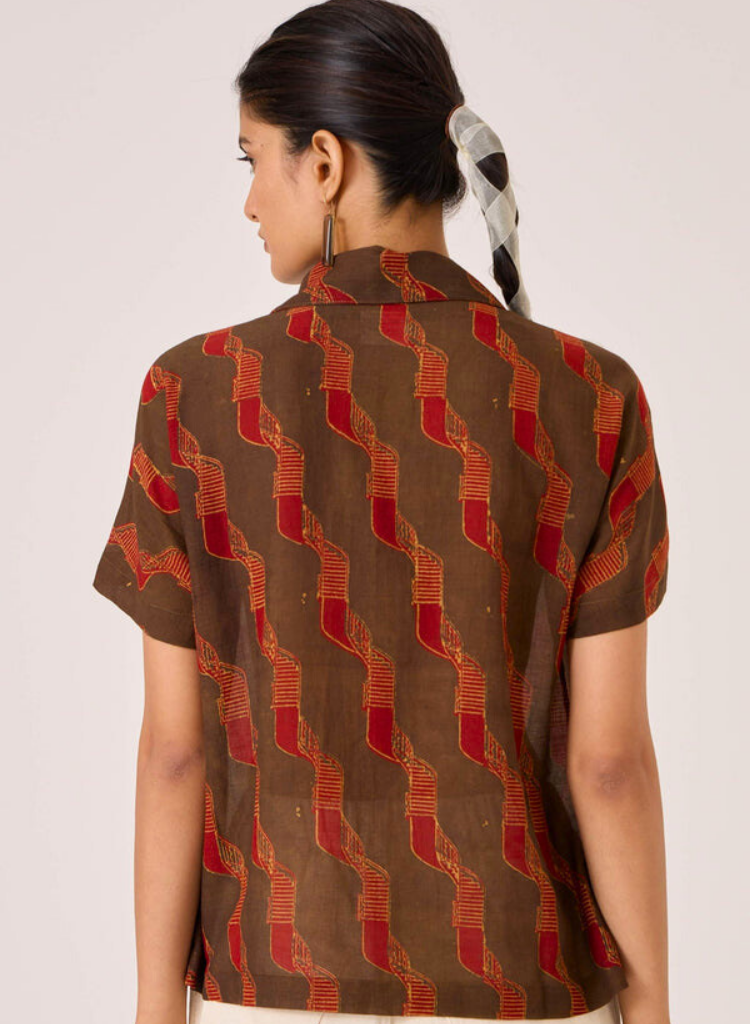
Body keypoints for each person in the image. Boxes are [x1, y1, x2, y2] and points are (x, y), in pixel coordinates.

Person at [91, 2, 672, 1024]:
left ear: (324, 163)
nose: (249, 201)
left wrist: (153, 1009)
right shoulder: (592, 394)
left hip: (272, 980)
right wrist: (653, 1010)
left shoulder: (194, 393)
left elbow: (176, 752)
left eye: (252, 161)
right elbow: (610, 764)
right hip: (524, 982)